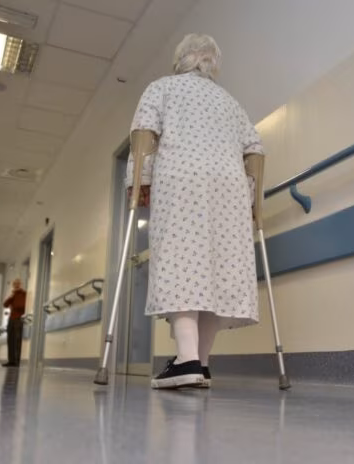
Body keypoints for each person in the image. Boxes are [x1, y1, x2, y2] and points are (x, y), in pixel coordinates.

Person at [126, 34, 265, 389]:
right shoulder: (231, 103)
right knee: (217, 270)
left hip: (182, 182)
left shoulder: (162, 88)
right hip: (230, 189)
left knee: (181, 263)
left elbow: (144, 136)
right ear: (213, 63)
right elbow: (255, 151)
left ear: (181, 59)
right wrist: (253, 201)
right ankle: (200, 363)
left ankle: (186, 359)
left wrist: (138, 181)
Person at [2, 278, 26, 367]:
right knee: (10, 340)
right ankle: (11, 361)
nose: (16, 285)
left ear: (20, 284)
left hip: (19, 319)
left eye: (18, 283)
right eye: (14, 284)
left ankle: (17, 361)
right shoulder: (13, 294)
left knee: (17, 340)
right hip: (11, 319)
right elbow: (5, 304)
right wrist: (11, 296)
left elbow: (21, 306)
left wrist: (13, 300)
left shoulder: (24, 294)